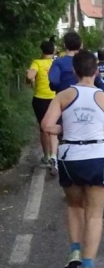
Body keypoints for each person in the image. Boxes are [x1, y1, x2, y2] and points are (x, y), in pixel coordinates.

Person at [41, 50, 104, 268]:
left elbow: (47, 126)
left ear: (74, 71)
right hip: (97, 156)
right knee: (95, 214)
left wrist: (63, 129)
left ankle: (74, 252)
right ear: (96, 71)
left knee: (74, 206)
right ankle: (89, 267)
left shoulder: (63, 96)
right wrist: (103, 129)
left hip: (69, 156)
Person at [27, 38, 58, 173]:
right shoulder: (56, 63)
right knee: (54, 126)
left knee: (43, 128)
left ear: (42, 51)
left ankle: (46, 157)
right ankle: (54, 156)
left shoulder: (37, 62)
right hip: (55, 99)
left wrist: (31, 80)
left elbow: (30, 76)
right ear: (53, 51)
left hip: (40, 99)